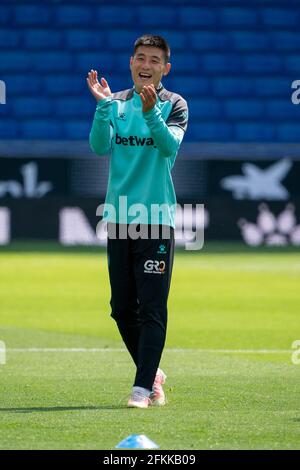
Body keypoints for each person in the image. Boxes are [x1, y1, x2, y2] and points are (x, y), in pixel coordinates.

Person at [87, 34, 188, 408]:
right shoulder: (115, 104)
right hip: (119, 218)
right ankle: (154, 371)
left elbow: (169, 147)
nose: (147, 65)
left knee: (152, 307)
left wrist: (151, 114)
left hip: (156, 220)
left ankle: (142, 388)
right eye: (141, 58)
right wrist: (101, 108)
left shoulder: (175, 104)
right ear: (131, 62)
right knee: (121, 307)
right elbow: (100, 146)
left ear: (165, 68)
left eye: (154, 60)